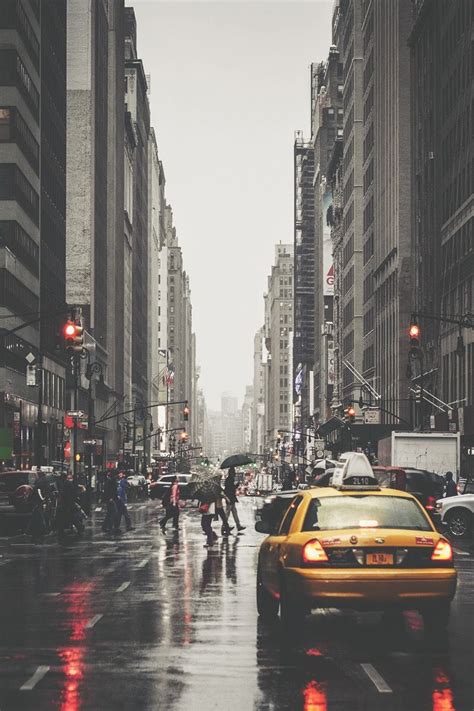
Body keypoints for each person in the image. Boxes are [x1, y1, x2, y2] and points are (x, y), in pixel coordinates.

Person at [224, 467, 245, 533]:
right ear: (231, 473)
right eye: (234, 472)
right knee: (227, 513)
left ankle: (238, 526)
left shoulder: (229, 479)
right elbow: (230, 489)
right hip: (230, 499)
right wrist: (236, 485)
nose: (235, 473)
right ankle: (224, 526)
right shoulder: (229, 479)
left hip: (231, 499)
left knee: (234, 513)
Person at [102, 470, 121, 535]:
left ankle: (105, 526)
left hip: (111, 499)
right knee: (114, 512)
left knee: (110, 513)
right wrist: (110, 498)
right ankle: (110, 527)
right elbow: (109, 490)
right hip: (111, 499)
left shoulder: (111, 481)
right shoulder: (111, 481)